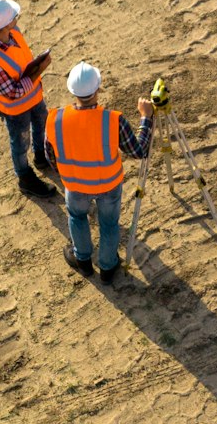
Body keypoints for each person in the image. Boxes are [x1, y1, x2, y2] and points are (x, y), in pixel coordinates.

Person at [46, 63, 154, 282]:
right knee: (109, 224)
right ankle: (107, 267)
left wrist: (67, 173)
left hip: (74, 184)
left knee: (77, 217)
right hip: (108, 185)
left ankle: (83, 261)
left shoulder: (55, 119)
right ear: (98, 90)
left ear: (72, 91)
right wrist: (146, 118)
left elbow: (50, 155)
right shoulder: (113, 119)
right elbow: (138, 151)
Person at [0, 0, 55, 193]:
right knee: (20, 142)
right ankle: (25, 178)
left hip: (33, 97)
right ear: (3, 26)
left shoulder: (9, 32)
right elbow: (13, 93)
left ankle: (41, 157)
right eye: (14, 16)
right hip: (15, 109)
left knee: (41, 123)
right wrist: (40, 69)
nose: (17, 18)